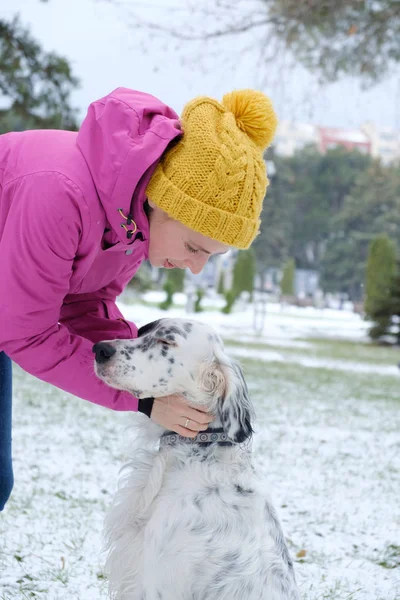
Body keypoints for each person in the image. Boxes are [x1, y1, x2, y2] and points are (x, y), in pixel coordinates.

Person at [0, 87, 278, 510]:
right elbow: (26, 333)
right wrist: (143, 398)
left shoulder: (131, 223)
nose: (196, 267)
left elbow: (83, 306)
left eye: (211, 256)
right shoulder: (58, 194)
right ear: (167, 206)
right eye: (194, 248)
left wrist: (151, 375)